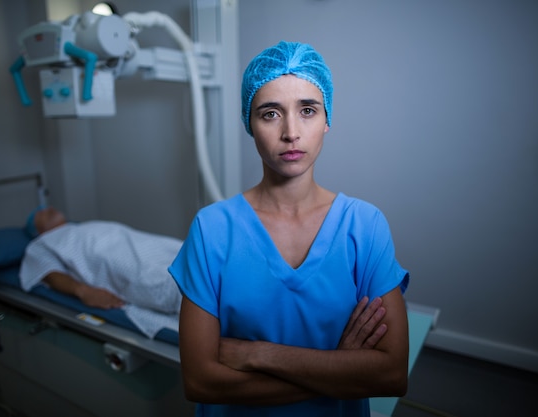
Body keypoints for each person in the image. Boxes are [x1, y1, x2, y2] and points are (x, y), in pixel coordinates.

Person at [168, 41, 410, 416]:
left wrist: (258, 354)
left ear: (327, 119)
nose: (291, 132)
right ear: (249, 124)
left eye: (308, 110)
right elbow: (200, 381)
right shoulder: (212, 229)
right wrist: (336, 368)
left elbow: (391, 374)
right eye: (270, 114)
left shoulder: (364, 226)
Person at [19, 206, 184, 338]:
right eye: (39, 212)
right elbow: (51, 275)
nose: (47, 208)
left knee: (193, 256)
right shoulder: (40, 244)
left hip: (151, 247)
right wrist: (84, 291)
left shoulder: (82, 227)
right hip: (125, 262)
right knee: (174, 280)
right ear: (36, 230)